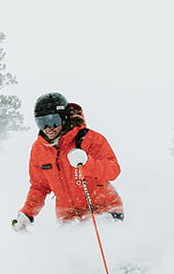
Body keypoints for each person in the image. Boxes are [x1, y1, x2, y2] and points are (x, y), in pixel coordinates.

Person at [11, 92, 124, 231]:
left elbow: (113, 169)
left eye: (53, 121)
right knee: (68, 250)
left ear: (64, 118)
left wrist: (88, 163)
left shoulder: (88, 140)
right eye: (41, 122)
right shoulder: (39, 149)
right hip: (69, 218)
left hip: (103, 210)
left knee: (91, 245)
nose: (48, 128)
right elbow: (39, 187)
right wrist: (27, 213)